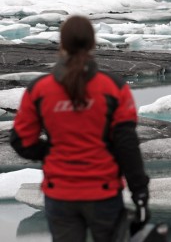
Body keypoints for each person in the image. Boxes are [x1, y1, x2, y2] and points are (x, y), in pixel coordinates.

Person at [10, 15, 150, 242]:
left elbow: (21, 140)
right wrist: (140, 192)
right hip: (103, 191)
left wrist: (50, 152)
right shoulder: (113, 88)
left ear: (62, 44)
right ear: (93, 44)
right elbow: (127, 145)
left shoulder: (40, 89)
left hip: (60, 193)